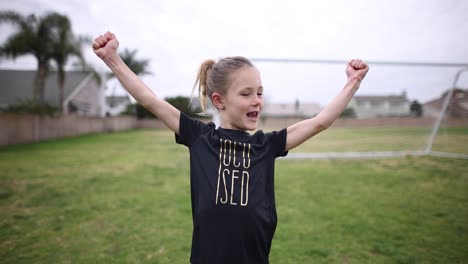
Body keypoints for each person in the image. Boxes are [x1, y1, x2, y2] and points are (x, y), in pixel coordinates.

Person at [93, 31, 369, 264]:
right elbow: (150, 100)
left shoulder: (267, 144)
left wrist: (353, 82)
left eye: (259, 92)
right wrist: (112, 58)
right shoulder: (200, 137)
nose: (256, 100)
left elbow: (320, 121)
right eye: (246, 94)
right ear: (219, 101)